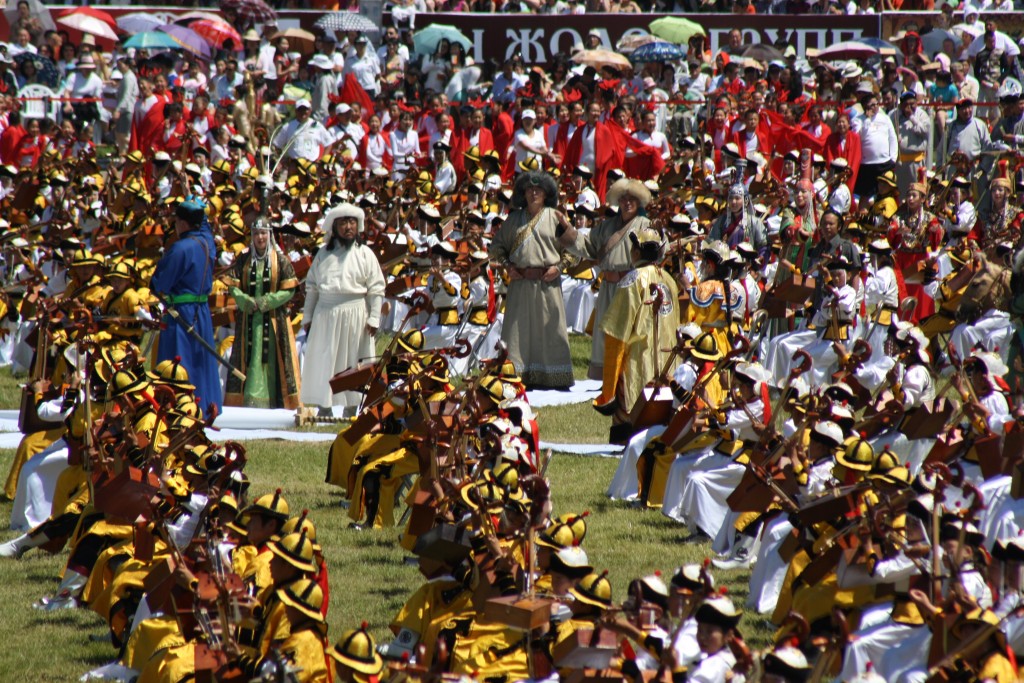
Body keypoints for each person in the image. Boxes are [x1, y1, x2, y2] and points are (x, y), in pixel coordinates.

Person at [488, 170, 576, 389]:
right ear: (523, 193)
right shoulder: (514, 219)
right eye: (529, 189)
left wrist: (559, 267)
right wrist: (508, 267)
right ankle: (515, 375)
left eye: (538, 190)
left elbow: (573, 248)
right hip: (519, 284)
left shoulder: (555, 217)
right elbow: (496, 248)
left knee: (549, 331)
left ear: (546, 194)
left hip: (548, 284)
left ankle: (553, 377)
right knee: (518, 334)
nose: (534, 193)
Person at [300, 203, 386, 416]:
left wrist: (374, 317)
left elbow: (376, 287)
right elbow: (312, 288)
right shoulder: (322, 255)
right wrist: (308, 317)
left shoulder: (365, 254)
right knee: (325, 359)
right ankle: (324, 406)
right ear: (335, 226)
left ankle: (351, 407)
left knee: (354, 361)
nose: (348, 227)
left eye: (352, 222)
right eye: (343, 222)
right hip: (325, 314)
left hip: (356, 313)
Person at [150, 197, 222, 415]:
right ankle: (206, 407)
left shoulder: (179, 248)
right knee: (200, 360)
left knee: (180, 361)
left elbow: (159, 283)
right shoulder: (207, 243)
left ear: (182, 223)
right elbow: (205, 228)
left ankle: (180, 409)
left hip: (181, 313)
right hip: (201, 313)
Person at [225, 221, 302, 409]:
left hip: (274, 321)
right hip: (248, 321)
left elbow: (290, 289)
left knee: (275, 361)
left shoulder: (280, 260)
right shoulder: (243, 260)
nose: (260, 237)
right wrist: (244, 300)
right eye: (257, 233)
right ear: (252, 236)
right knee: (249, 358)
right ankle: (250, 401)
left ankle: (276, 400)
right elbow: (233, 286)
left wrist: (267, 301)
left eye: (264, 233)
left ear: (270, 235)